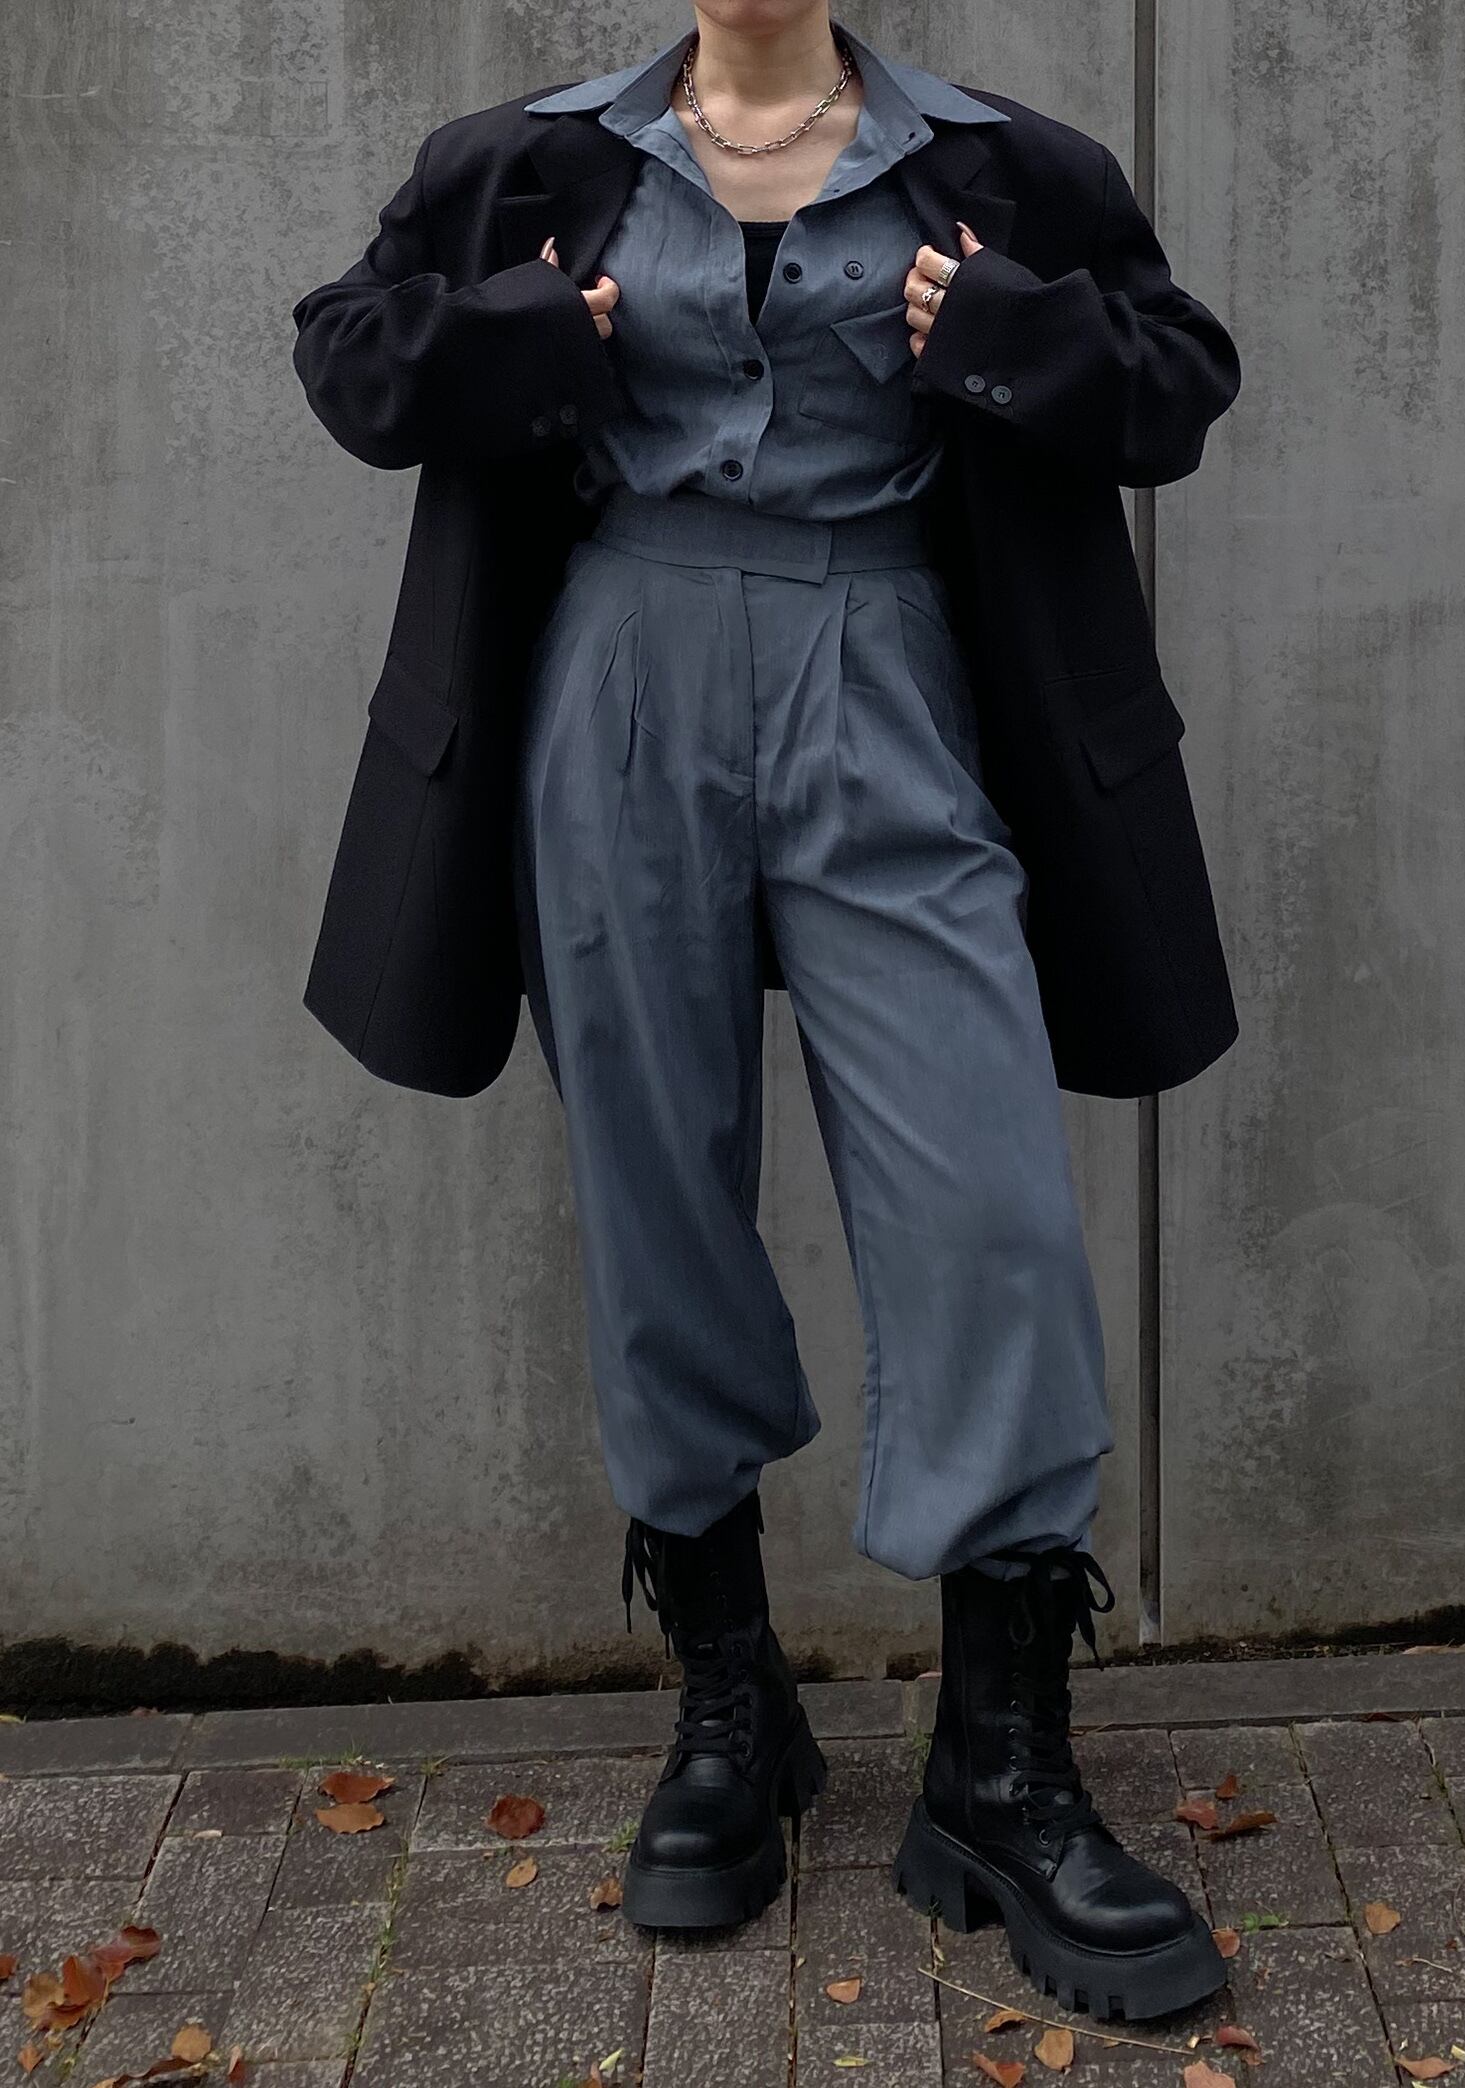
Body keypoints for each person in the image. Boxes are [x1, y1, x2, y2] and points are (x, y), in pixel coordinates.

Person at [290, 1, 1241, 2024]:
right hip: (619, 667)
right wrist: (524, 337)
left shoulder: (1006, 168)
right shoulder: (525, 164)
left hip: (884, 658)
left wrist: (1010, 328)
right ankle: (732, 1707)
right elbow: (352, 361)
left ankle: (1001, 1767)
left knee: (986, 1200)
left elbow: (1178, 384)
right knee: (656, 1188)